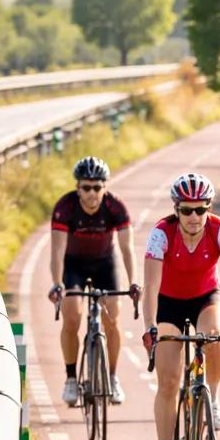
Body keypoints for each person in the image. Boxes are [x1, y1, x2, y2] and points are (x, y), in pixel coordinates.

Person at [142, 172, 220, 440]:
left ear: (209, 209)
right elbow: (150, 289)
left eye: (200, 210)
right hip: (168, 303)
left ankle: (211, 397)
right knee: (169, 381)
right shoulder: (161, 234)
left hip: (206, 297)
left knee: (212, 335)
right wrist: (150, 328)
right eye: (186, 210)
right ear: (176, 210)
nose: (193, 217)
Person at [48, 155, 138, 405]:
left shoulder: (115, 208)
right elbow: (56, 251)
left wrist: (133, 282)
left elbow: (127, 249)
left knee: (112, 317)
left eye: (97, 187)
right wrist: (57, 283)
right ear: (77, 188)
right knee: (72, 316)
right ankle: (70, 379)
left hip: (104, 264)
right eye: (86, 187)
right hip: (73, 265)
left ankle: (112, 377)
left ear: (104, 188)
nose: (91, 193)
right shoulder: (65, 207)